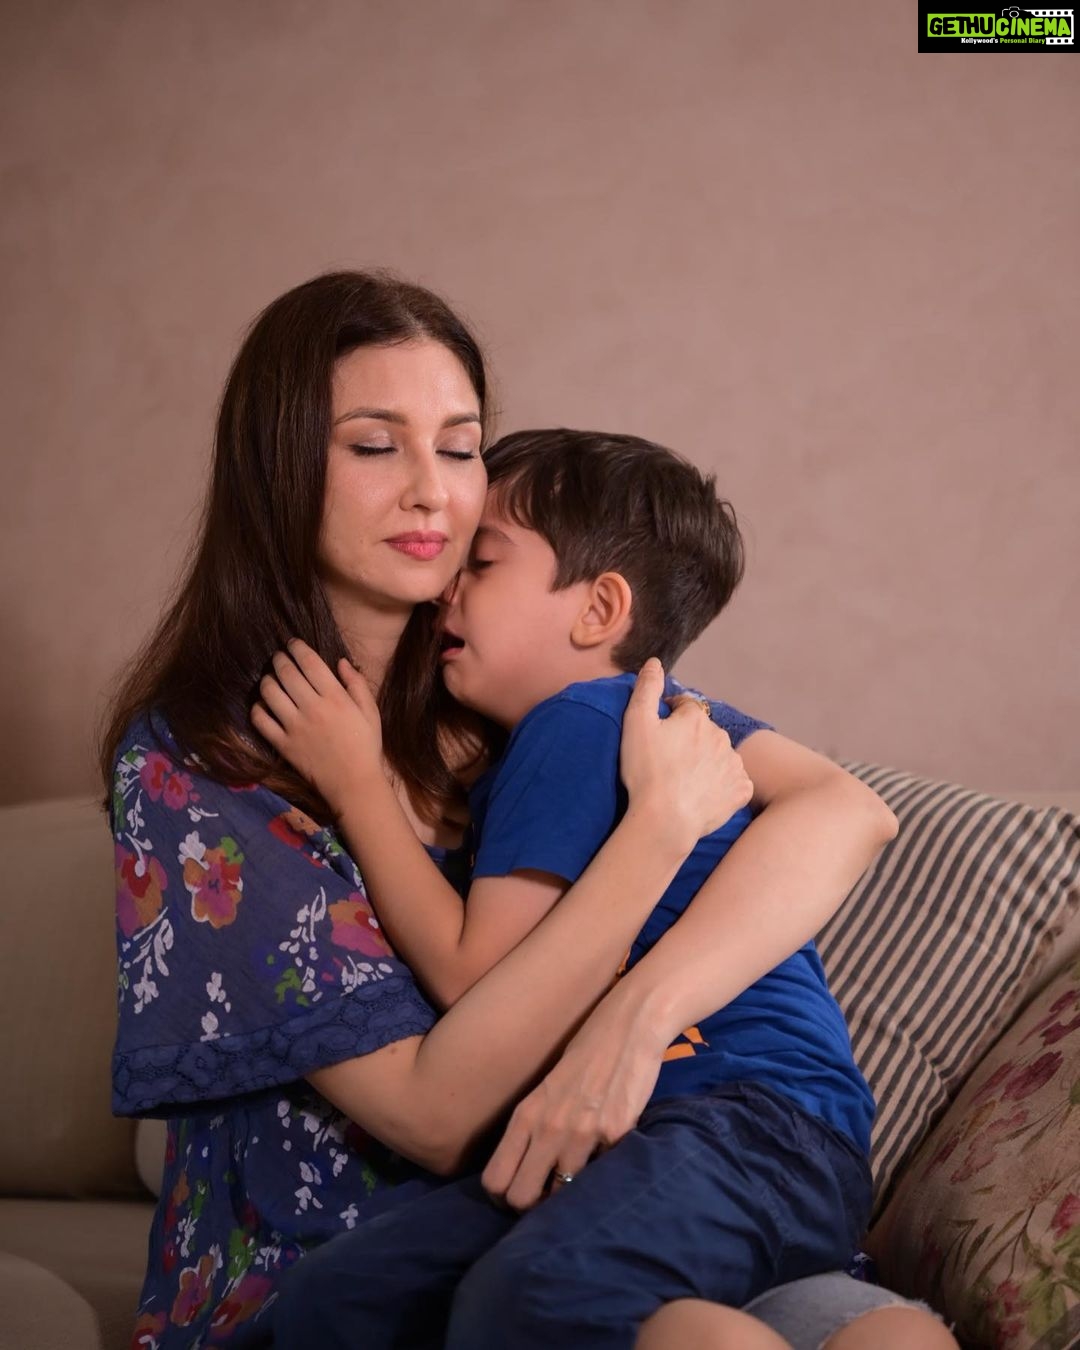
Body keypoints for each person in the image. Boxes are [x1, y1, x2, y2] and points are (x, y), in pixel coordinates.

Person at [101, 270, 954, 1350]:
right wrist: (654, 834)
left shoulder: (529, 692)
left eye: (460, 448)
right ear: (280, 468)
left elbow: (841, 809)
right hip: (390, 1233)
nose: (433, 493)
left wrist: (638, 1019)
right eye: (376, 446)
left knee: (852, 1323)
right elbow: (435, 1113)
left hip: (628, 1169)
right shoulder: (201, 760)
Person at [255, 428, 874, 1349]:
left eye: (482, 563)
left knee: (536, 1297)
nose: (447, 590)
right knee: (340, 1301)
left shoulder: (580, 720)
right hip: (628, 1145)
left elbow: (479, 978)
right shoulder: (619, 724)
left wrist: (356, 784)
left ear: (599, 610)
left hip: (750, 1123)